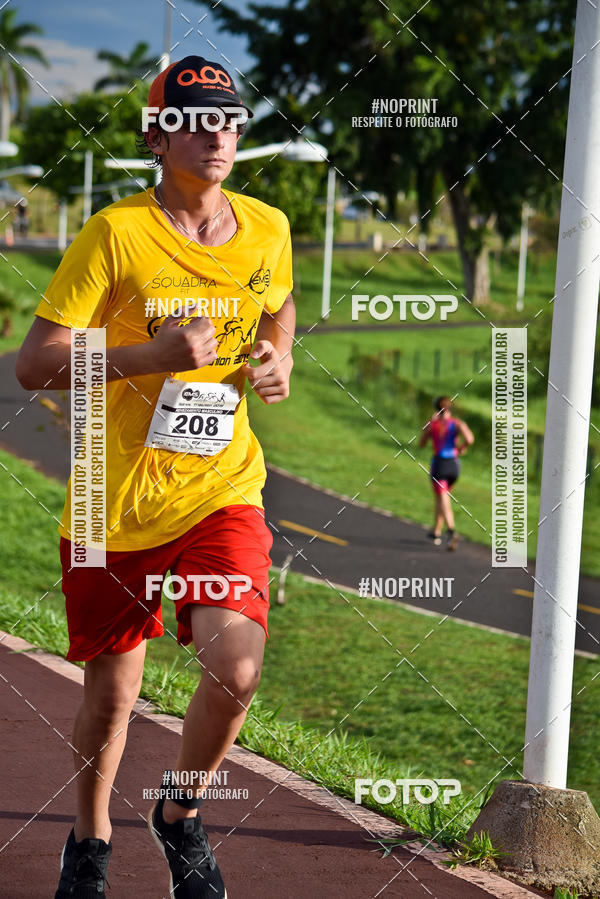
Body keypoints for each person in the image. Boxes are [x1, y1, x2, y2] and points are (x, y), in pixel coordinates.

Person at [15, 55, 295, 899]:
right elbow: (34, 364)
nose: (218, 133)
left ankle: (179, 812)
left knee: (236, 666)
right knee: (113, 693)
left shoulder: (269, 226)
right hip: (112, 493)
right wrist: (148, 356)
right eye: (198, 120)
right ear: (157, 134)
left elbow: (276, 302)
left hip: (221, 485)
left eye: (231, 120)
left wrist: (279, 354)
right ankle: (91, 837)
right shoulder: (114, 234)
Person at [419, 396, 474, 550]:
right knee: (441, 497)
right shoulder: (457, 423)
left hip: (440, 464)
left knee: (443, 497)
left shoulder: (433, 425)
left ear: (436, 408)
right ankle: (436, 531)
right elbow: (470, 439)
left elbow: (422, 444)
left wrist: (429, 424)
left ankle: (451, 529)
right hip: (454, 465)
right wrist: (461, 447)